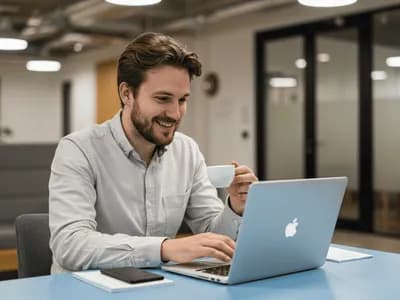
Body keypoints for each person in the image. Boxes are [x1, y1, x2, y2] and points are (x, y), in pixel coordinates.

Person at [49, 32, 258, 273]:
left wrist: (236, 207)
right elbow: (70, 246)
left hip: (157, 287)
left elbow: (213, 237)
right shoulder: (78, 150)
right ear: (127, 94)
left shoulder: (186, 151)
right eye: (163, 99)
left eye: (182, 100)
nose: (175, 113)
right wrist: (164, 249)